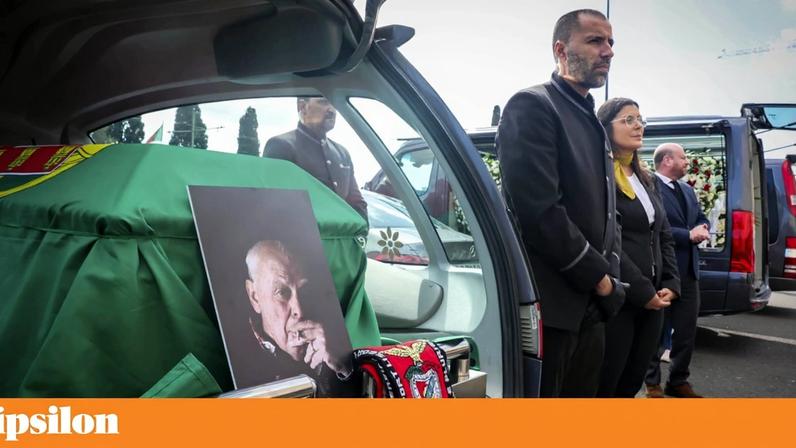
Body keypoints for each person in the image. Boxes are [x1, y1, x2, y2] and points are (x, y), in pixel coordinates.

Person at [496, 9, 625, 397]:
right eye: (595, 40)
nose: (608, 52)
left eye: (611, 42)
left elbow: (606, 214)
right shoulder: (533, 106)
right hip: (553, 308)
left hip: (593, 305)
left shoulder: (590, 118)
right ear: (561, 49)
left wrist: (610, 279)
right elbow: (539, 213)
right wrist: (601, 280)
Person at [595, 98, 680, 398]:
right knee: (609, 384)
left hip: (655, 297)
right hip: (622, 296)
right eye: (627, 119)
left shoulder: (647, 180)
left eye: (640, 118)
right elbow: (609, 241)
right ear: (605, 129)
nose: (638, 125)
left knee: (632, 382)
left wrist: (671, 282)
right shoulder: (600, 177)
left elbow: (664, 235)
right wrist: (642, 291)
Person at [242, 240, 353, 395]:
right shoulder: (238, 353)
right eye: (281, 292)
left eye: (305, 291)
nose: (299, 311)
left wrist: (343, 368)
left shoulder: (332, 336)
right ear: (254, 297)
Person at [645, 143, 711, 398]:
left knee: (686, 332)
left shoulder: (687, 189)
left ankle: (678, 380)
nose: (687, 162)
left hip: (689, 273)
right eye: (683, 157)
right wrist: (688, 235)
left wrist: (703, 226)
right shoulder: (650, 185)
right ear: (667, 160)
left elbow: (700, 217)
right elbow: (652, 228)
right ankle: (652, 384)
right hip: (662, 271)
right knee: (656, 331)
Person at [263, 97, 368, 220]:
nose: (332, 110)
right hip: (301, 235)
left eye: (334, 104)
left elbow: (356, 203)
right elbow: (275, 203)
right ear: (302, 107)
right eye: (323, 102)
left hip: (341, 236)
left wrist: (360, 233)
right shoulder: (281, 145)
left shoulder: (342, 153)